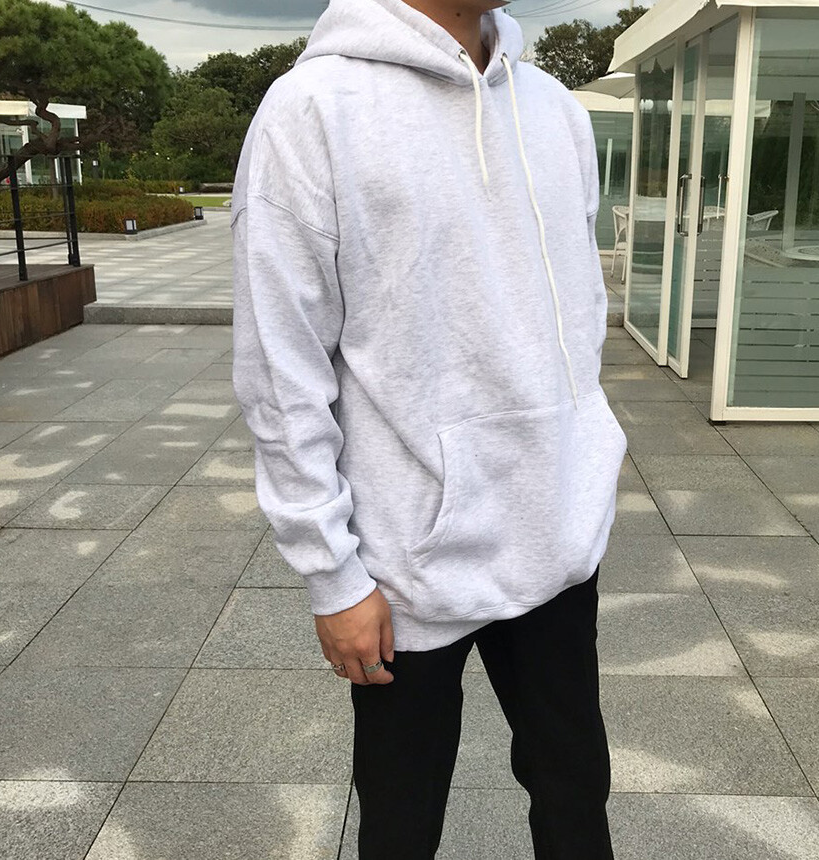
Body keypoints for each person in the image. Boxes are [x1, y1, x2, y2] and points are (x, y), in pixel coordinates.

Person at [231, 0, 628, 856]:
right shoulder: (312, 110)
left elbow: (580, 307)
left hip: (555, 534)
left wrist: (586, 456)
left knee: (575, 793)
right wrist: (332, 575)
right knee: (401, 822)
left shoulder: (555, 109)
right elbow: (279, 366)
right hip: (401, 563)